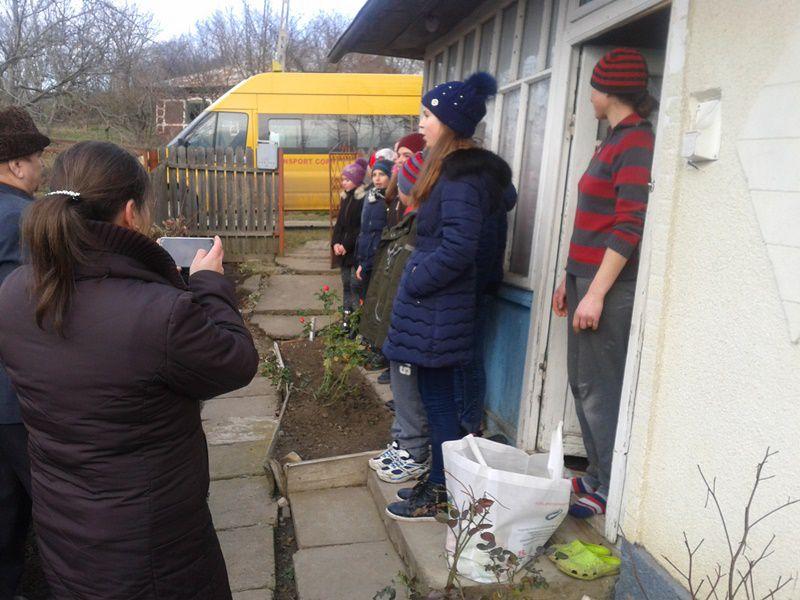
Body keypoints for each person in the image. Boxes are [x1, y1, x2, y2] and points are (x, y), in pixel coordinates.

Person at [0, 141, 260, 599]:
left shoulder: (15, 292)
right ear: (130, 213)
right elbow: (234, 362)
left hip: (67, 534)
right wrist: (208, 284)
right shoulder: (159, 313)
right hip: (153, 549)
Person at [381, 72, 499, 521]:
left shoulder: (461, 178)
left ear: (450, 122)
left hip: (437, 306)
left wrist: (415, 278)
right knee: (436, 397)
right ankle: (439, 484)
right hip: (435, 307)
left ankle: (443, 491)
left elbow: (459, 247)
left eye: (428, 116)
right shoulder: (450, 170)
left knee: (439, 401)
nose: (421, 124)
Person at [551, 48, 656, 519]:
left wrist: (594, 293)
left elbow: (629, 224)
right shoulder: (611, 140)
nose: (589, 95)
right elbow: (591, 222)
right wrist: (568, 279)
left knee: (601, 388)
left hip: (607, 287)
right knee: (581, 383)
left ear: (609, 91)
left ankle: (611, 487)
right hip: (584, 279)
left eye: (593, 87)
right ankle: (595, 473)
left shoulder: (636, 142)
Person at [0, 106, 49, 600]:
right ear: (16, 164)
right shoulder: (29, 221)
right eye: (36, 158)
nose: (40, 167)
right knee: (55, 511)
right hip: (19, 396)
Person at [362, 152, 430, 484]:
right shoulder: (408, 223)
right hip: (400, 325)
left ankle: (414, 450)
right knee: (402, 390)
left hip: (409, 326)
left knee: (411, 389)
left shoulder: (420, 229)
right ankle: (403, 441)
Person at [453, 154, 517, 436]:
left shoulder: (487, 199)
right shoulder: (488, 196)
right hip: (477, 288)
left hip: (475, 290)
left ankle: (469, 422)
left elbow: (484, 251)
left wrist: (468, 290)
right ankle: (463, 418)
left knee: (467, 357)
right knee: (464, 356)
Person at [331, 158, 367, 320]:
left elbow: (359, 227)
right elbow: (340, 224)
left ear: (357, 180)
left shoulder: (362, 199)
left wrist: (346, 245)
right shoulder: (345, 197)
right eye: (343, 179)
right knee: (346, 284)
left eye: (347, 179)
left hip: (355, 250)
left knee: (355, 285)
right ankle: (346, 317)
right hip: (343, 251)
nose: (343, 183)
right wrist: (335, 243)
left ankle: (356, 320)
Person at [355, 158, 393, 292]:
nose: (377, 178)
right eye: (374, 175)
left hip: (380, 259)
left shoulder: (391, 200)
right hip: (365, 256)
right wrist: (361, 259)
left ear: (391, 176)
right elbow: (364, 230)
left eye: (382, 174)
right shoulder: (370, 197)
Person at [387, 133, 426, 228]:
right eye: (399, 155)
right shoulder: (394, 187)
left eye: (406, 155)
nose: (399, 160)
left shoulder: (424, 197)